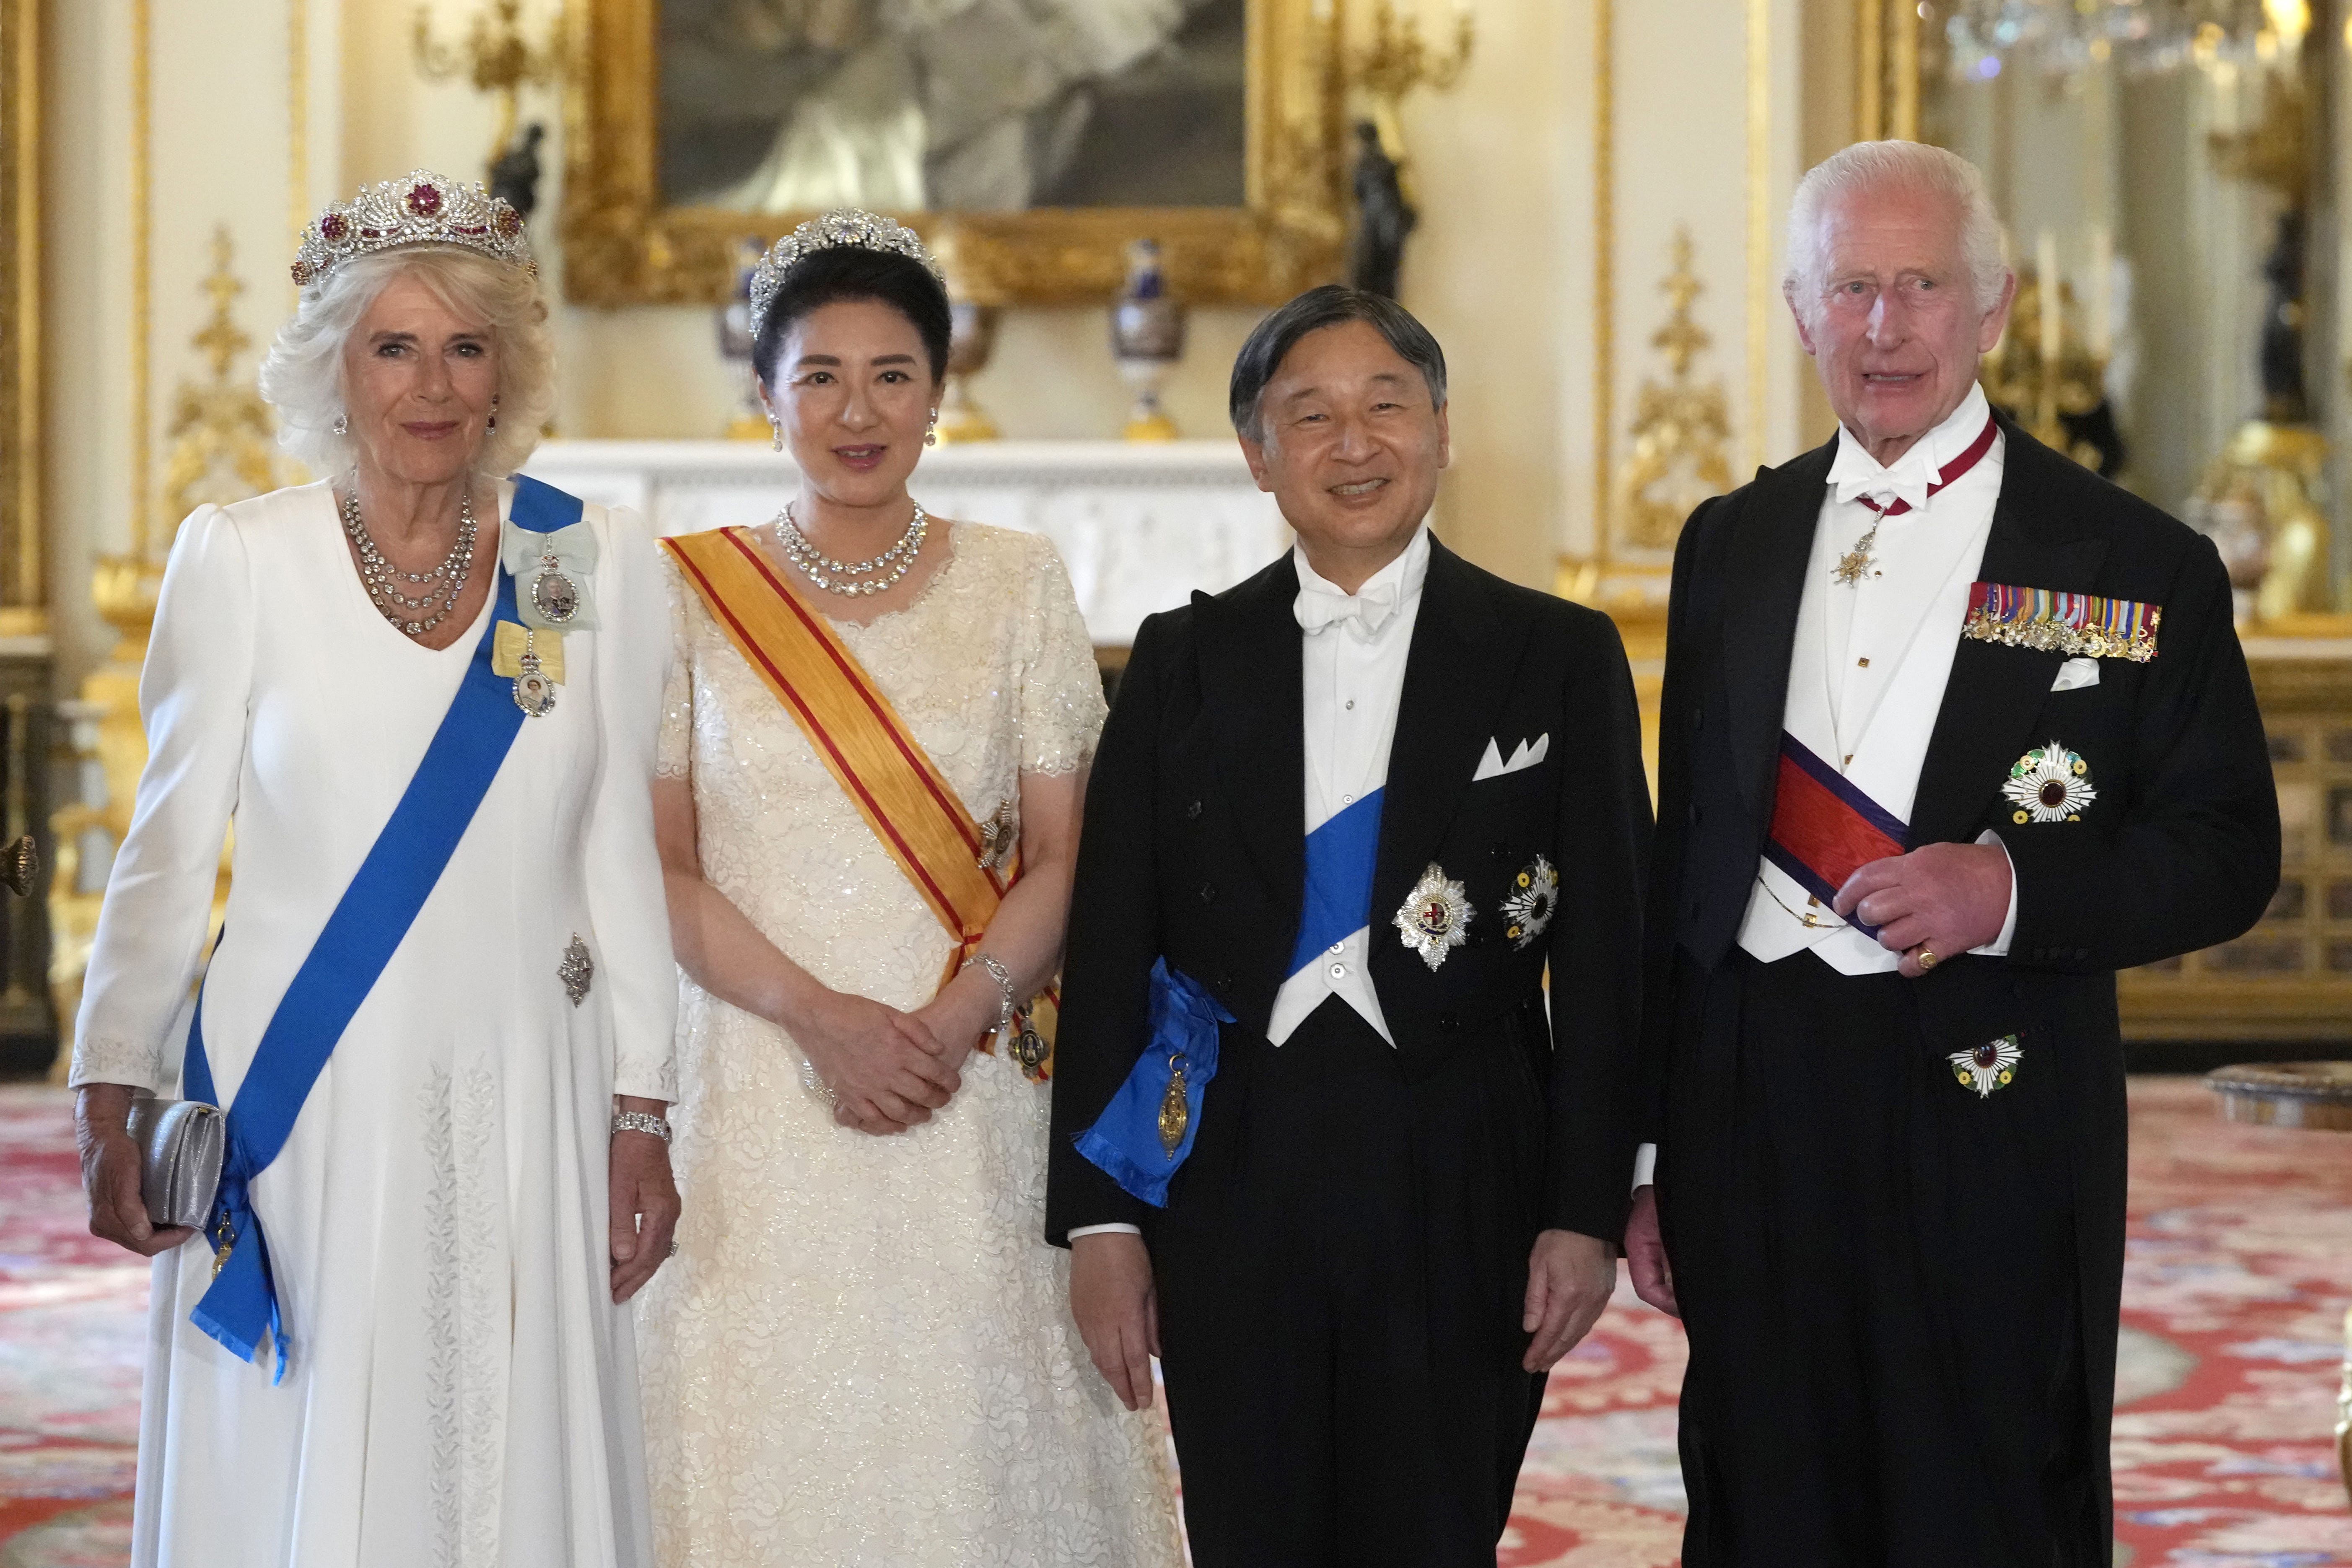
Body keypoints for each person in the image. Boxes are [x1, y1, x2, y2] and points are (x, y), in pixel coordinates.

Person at [1626, 140, 2280, 1566]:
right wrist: (1650, 1147)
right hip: (1754, 1101)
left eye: (1920, 285)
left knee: (1980, 1491)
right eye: (1849, 286)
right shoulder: (1725, 543)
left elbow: (2229, 852)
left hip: (1992, 1098)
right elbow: (1687, 864)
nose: (1882, 325)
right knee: (1761, 1485)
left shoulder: (2132, 560)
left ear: (1992, 312)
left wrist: (2012, 892)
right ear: (1799, 313)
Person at [69, 171, 679, 1567]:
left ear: (508, 371)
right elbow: (166, 854)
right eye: (392, 346)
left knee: (506, 1439)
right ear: (333, 367)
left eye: (466, 347)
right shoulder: (242, 558)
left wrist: (643, 1109)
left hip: (531, 1065)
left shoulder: (587, 562)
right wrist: (115, 1092)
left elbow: (616, 853)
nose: (432, 385)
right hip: (303, 1086)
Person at [1048, 284, 1653, 1565]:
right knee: (1248, 1526)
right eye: (1308, 415)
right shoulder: (1180, 661)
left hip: (1465, 1164)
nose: (1354, 442)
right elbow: (1111, 943)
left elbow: (1609, 956)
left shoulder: (1555, 653)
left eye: (1387, 405)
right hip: (1230, 1170)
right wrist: (1101, 1219)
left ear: (1442, 430)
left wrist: (1585, 1206)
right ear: (1257, 457)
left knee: (1434, 1529)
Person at [634, 210, 1182, 1566]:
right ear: (764, 397)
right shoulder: (681, 595)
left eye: (891, 374)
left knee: (969, 1429)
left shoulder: (1018, 584)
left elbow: (1066, 857)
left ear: (939, 397)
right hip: (758, 1076)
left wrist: (944, 1024)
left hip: (972, 1079)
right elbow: (661, 866)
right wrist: (825, 1019)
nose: (855, 409)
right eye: (818, 374)